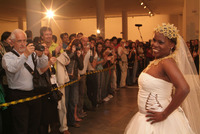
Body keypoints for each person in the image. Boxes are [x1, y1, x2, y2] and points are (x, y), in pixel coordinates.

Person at [124, 23, 200, 134]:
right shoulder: (157, 61)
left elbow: (184, 88)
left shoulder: (167, 62)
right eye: (154, 40)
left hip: (159, 121)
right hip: (145, 118)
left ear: (172, 45)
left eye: (161, 42)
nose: (154, 45)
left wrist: (164, 114)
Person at [2, 29, 48, 134]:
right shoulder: (8, 56)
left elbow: (43, 65)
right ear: (12, 42)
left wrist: (41, 55)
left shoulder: (32, 55)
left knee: (34, 125)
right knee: (21, 126)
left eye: (24, 40)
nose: (23, 44)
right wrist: (25, 55)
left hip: (34, 93)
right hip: (18, 95)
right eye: (19, 41)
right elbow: (13, 68)